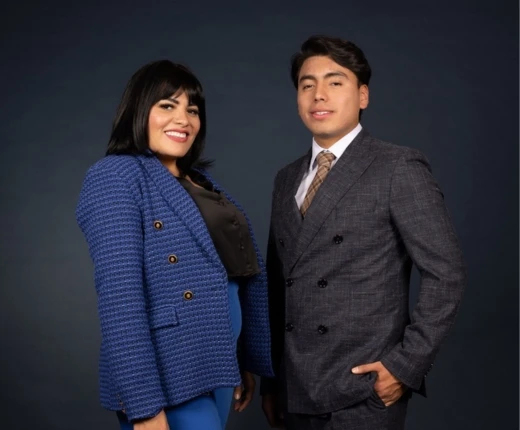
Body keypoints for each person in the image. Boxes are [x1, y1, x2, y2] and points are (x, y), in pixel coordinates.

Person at [261, 35, 466, 430]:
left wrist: (405, 366)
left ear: (363, 95)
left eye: (335, 82)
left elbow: (447, 274)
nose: (319, 95)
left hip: (363, 391)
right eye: (307, 85)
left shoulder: (397, 167)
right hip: (294, 390)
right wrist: (272, 380)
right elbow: (277, 285)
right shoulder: (286, 179)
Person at [76, 60, 273, 430]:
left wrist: (240, 359)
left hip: (215, 361)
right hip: (168, 371)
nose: (183, 119)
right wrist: (144, 405)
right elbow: (120, 297)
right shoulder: (114, 175)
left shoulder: (201, 181)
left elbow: (231, 273)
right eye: (168, 105)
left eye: (192, 110)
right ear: (138, 111)